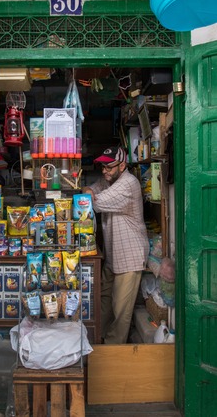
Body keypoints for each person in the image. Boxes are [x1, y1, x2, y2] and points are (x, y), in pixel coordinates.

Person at [82, 146, 149, 344]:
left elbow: (93, 202)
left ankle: (112, 351)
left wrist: (88, 194)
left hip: (129, 255)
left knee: (121, 309)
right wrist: (87, 190)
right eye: (102, 166)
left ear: (122, 165)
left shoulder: (128, 183)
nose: (104, 171)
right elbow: (91, 189)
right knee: (104, 298)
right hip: (113, 254)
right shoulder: (111, 179)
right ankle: (98, 339)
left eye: (109, 167)